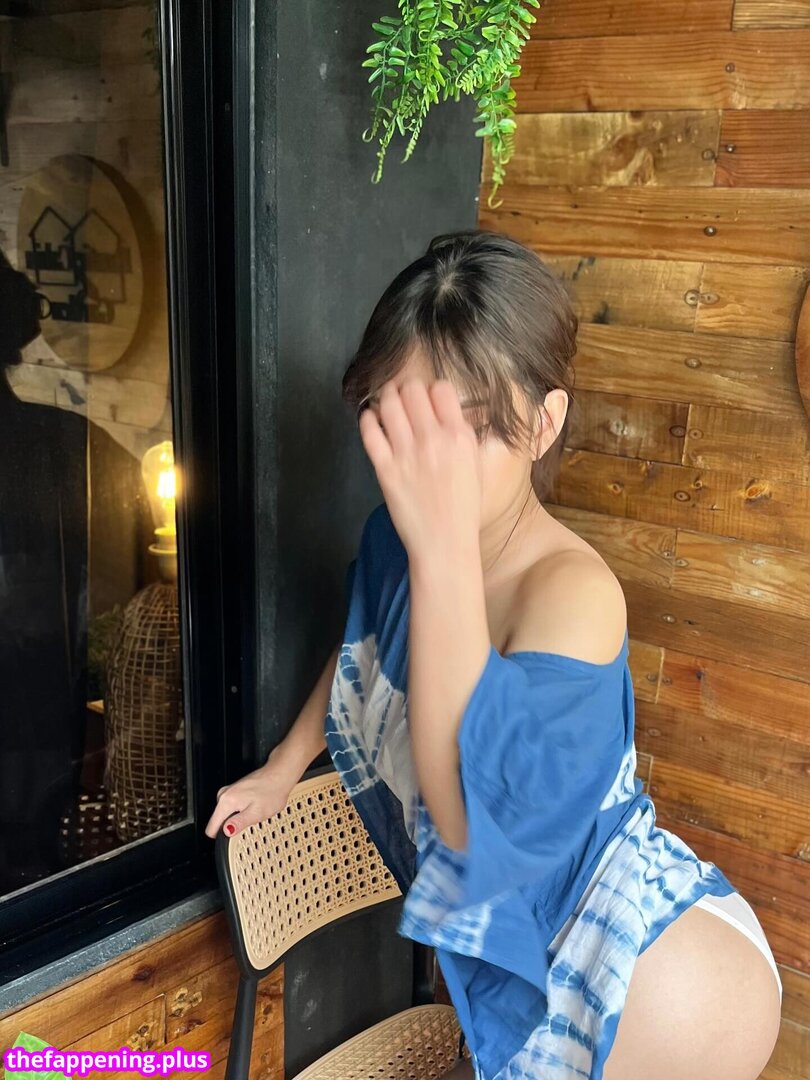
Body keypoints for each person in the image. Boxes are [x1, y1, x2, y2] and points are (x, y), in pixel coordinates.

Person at [206, 229, 783, 1079]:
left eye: (470, 430)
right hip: (532, 952)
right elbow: (369, 650)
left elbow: (470, 821)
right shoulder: (398, 539)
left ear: (544, 424)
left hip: (644, 978)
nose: (433, 470)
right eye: (408, 426)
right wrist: (285, 765)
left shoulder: (572, 594)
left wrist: (439, 552)